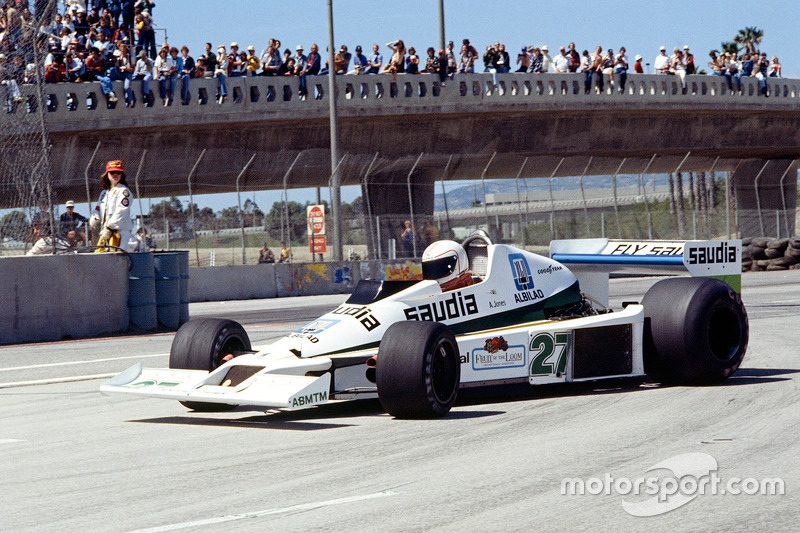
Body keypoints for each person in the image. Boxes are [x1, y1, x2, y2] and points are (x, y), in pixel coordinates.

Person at [95, 160, 133, 251]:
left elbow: (122, 211)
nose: (115, 175)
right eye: (112, 172)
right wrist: (95, 216)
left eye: (118, 172)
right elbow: (97, 207)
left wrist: (109, 227)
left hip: (120, 232)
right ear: (107, 174)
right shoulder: (104, 193)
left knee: (117, 257)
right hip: (106, 231)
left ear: (121, 174)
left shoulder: (124, 191)